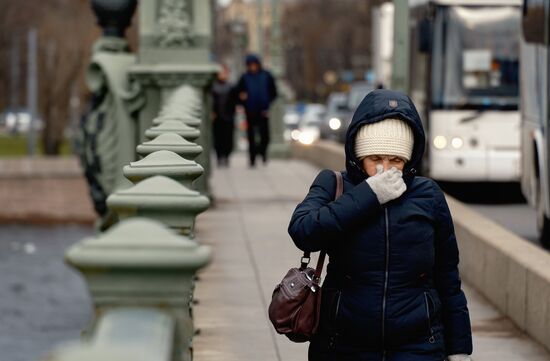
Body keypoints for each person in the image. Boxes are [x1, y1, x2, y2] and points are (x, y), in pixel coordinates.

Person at [288, 89, 473, 361]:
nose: (385, 169)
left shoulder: (428, 195)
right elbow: (303, 231)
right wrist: (369, 196)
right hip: (343, 345)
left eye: (396, 160)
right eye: (375, 159)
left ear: (410, 159)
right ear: (358, 155)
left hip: (419, 345)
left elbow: (448, 278)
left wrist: (459, 348)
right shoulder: (333, 184)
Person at [236, 54, 278, 167]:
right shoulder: (244, 77)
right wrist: (242, 99)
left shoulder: (266, 75)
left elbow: (274, 92)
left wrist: (268, 103)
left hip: (264, 110)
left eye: (254, 64)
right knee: (251, 136)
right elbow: (238, 92)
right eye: (250, 65)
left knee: (265, 135)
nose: (252, 67)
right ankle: (252, 158)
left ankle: (263, 154)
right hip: (250, 110)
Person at [212, 65, 237, 167]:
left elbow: (235, 101)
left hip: (228, 116)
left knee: (228, 138)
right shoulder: (213, 87)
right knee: (218, 138)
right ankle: (219, 157)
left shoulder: (231, 87)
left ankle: (226, 157)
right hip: (217, 117)